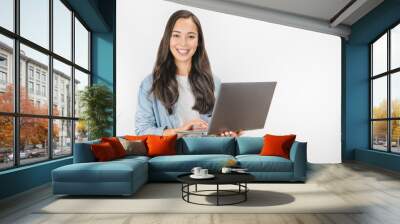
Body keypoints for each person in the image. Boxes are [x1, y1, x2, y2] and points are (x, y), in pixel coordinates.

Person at [135, 10, 241, 137]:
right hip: (174, 155)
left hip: (210, 153)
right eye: (176, 35)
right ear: (168, 39)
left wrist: (229, 132)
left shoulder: (214, 83)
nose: (183, 43)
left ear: (198, 41)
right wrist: (182, 131)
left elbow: (218, 130)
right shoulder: (150, 84)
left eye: (191, 36)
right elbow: (142, 131)